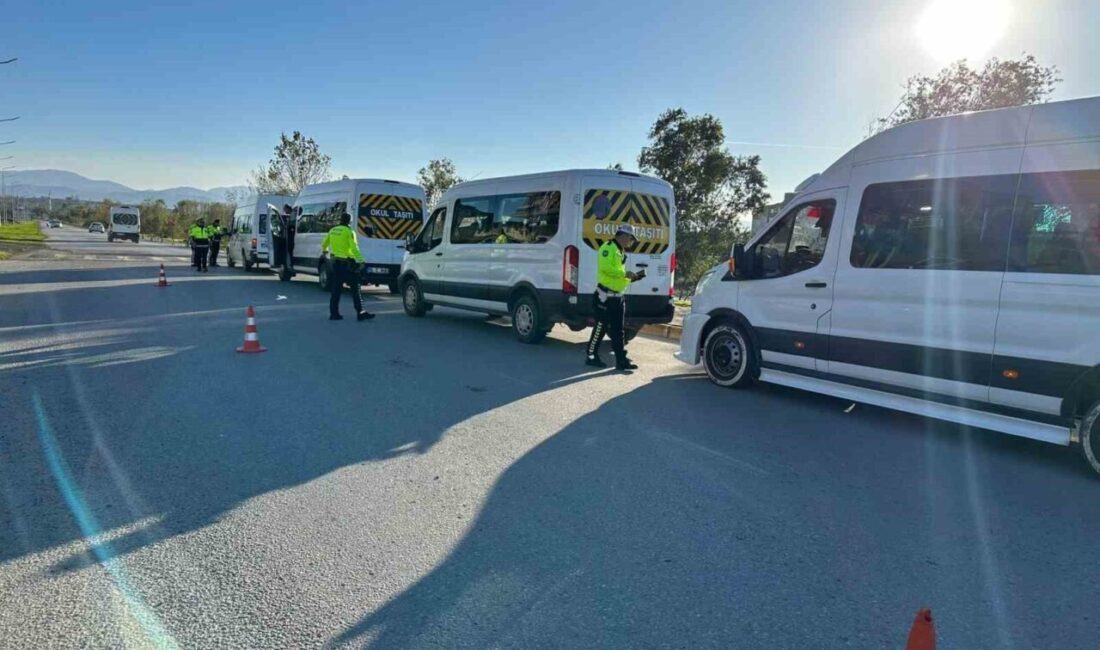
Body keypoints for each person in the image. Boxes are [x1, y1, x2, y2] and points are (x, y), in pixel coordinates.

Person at [586, 224, 643, 370]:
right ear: (622, 236)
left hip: (618, 298)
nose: (631, 242)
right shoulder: (608, 247)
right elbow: (606, 268)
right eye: (630, 239)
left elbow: (618, 276)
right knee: (600, 327)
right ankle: (591, 356)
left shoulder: (620, 251)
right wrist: (625, 274)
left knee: (618, 331)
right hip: (605, 297)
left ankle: (621, 361)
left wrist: (634, 278)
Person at [321, 213, 374, 321]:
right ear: (349, 221)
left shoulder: (333, 230)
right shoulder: (349, 232)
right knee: (356, 289)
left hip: (336, 264)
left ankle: (334, 313)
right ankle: (360, 313)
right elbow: (354, 248)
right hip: (348, 264)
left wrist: (325, 252)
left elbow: (324, 244)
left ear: (340, 219)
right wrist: (361, 261)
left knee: (336, 290)